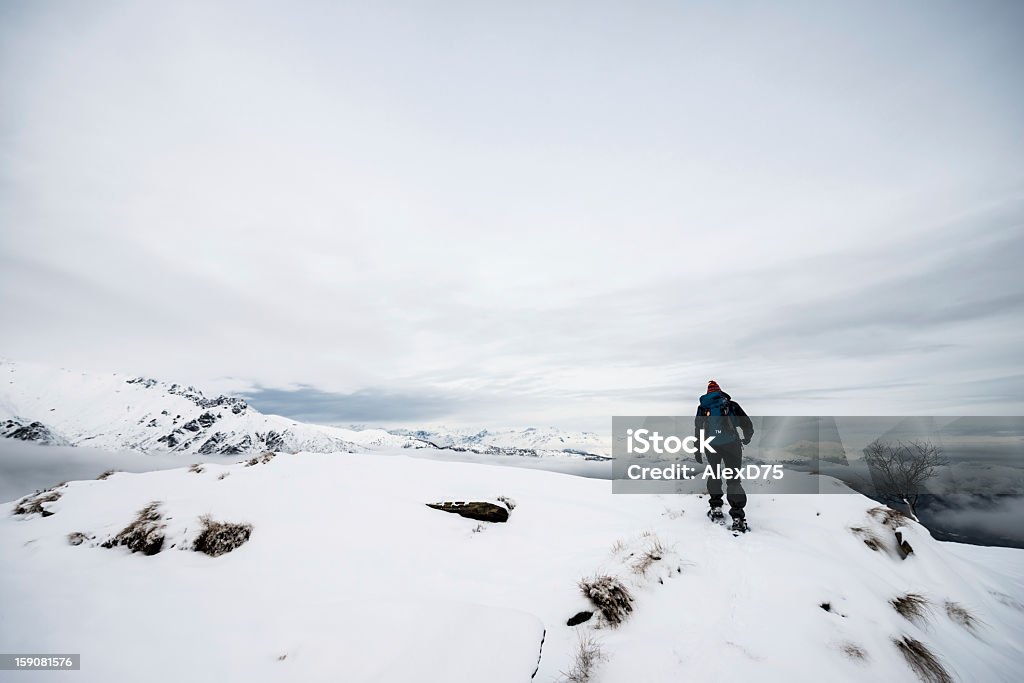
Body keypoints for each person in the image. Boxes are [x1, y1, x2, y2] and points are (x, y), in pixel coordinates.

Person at [694, 380, 754, 533]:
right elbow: (746, 423)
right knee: (733, 480)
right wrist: (747, 438)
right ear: (720, 391)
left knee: (714, 474)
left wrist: (698, 449)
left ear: (708, 392)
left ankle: (715, 508)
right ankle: (738, 518)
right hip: (732, 446)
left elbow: (698, 429)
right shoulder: (731, 405)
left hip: (711, 446)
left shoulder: (703, 407)